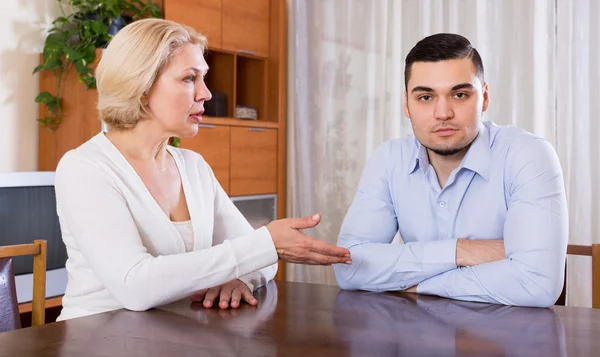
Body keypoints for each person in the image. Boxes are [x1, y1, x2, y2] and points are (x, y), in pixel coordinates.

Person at [54, 18, 351, 321]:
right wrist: (264, 244)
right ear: (141, 87)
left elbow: (261, 260)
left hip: (170, 338)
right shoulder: (84, 168)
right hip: (92, 340)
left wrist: (239, 278)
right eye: (189, 79)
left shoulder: (193, 167)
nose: (206, 94)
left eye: (203, 78)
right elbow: (135, 286)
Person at [333, 33, 568, 308]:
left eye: (459, 94)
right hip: (416, 340)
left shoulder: (528, 155)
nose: (443, 113)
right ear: (406, 104)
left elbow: (537, 284)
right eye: (425, 97)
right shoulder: (389, 159)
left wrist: (417, 285)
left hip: (504, 344)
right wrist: (461, 251)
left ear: (485, 98)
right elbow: (349, 267)